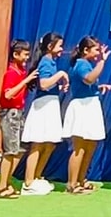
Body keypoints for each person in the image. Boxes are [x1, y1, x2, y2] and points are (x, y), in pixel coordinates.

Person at [64, 36, 111, 194]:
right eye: (95, 49)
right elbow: (88, 79)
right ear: (85, 50)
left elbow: (89, 83)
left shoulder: (86, 64)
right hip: (82, 107)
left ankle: (81, 180)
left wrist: (99, 87)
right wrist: (102, 61)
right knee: (79, 148)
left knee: (90, 146)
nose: (98, 52)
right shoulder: (82, 64)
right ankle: (72, 184)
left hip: (90, 105)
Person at [20, 33, 69, 196]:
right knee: (38, 143)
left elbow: (49, 84)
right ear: (50, 47)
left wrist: (58, 85)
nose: (62, 49)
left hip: (51, 104)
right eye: (59, 45)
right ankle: (28, 182)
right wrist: (60, 75)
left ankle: (37, 176)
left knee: (49, 144)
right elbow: (44, 84)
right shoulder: (46, 62)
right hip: (43, 106)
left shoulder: (51, 62)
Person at [0, 39, 37, 199]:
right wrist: (25, 81)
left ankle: (6, 179)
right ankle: (2, 187)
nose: (27, 58)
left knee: (20, 147)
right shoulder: (11, 73)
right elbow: (7, 94)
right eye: (25, 54)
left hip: (18, 112)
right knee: (10, 150)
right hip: (9, 113)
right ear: (15, 54)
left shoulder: (20, 71)